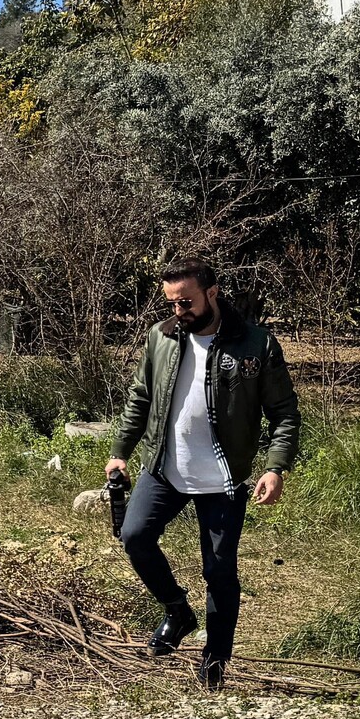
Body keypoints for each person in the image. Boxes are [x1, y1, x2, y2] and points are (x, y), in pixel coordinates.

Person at [105, 258, 300, 689]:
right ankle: (177, 610)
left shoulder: (256, 344)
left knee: (219, 572)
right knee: (134, 536)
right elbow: (141, 397)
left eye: (187, 301)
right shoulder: (161, 337)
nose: (180, 311)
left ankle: (214, 664)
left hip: (223, 479)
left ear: (212, 293)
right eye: (172, 303)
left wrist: (276, 468)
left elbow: (284, 413)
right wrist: (121, 452)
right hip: (164, 468)